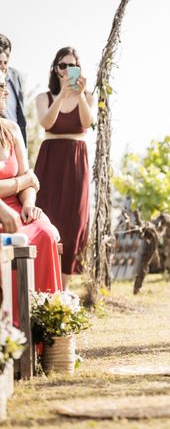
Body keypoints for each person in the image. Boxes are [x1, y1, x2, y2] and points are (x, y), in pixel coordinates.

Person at [0, 71, 62, 327]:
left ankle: (48, 327)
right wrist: (21, 182)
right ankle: (12, 328)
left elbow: (29, 178)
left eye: (4, 86)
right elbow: (26, 178)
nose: (5, 91)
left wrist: (28, 204)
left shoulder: (11, 129)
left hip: (18, 207)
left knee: (45, 233)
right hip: (2, 212)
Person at [34, 48, 92, 291]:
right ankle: (45, 284)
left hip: (77, 159)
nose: (67, 70)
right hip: (50, 160)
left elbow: (87, 123)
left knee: (74, 220)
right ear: (55, 69)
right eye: (62, 65)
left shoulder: (86, 95)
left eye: (72, 65)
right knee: (47, 215)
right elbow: (46, 122)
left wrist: (78, 95)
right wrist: (62, 95)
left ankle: (64, 288)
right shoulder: (43, 97)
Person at [0, 34, 27, 145]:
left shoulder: (17, 77)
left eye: (5, 62)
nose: (3, 67)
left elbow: (21, 115)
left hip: (14, 140)